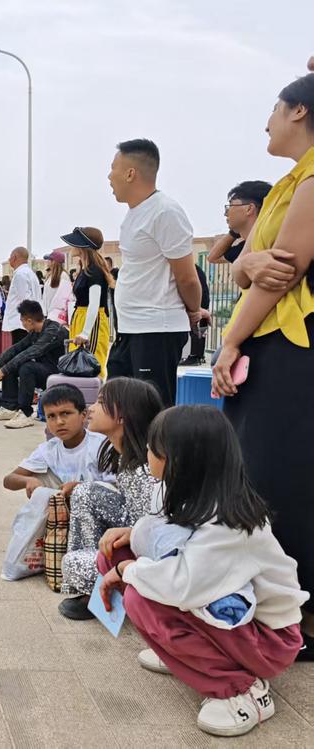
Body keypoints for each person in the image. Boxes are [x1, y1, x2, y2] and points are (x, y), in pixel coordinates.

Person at [96, 406, 307, 737]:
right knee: (112, 554)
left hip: (268, 641)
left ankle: (242, 690)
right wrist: (130, 538)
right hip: (227, 619)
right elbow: (167, 539)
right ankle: (184, 654)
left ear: (178, 459)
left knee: (139, 596)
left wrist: (127, 570)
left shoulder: (229, 521)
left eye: (154, 447)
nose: (147, 452)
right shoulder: (180, 490)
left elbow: (185, 585)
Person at [213, 72, 314, 658]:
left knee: (284, 478)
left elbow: (282, 275)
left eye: (275, 108)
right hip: (268, 344)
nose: (267, 121)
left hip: (293, 346)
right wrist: (246, 266)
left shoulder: (313, 182)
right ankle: (266, 608)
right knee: (254, 473)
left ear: (299, 111)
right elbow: (246, 267)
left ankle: (296, 619)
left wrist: (229, 342)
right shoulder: (285, 187)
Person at [57, 377, 163, 619]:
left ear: (122, 416)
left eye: (101, 402)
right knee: (85, 492)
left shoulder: (144, 470)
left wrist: (126, 545)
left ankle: (108, 589)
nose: (91, 408)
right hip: (133, 538)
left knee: (72, 563)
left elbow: (154, 537)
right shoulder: (127, 456)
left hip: (148, 560)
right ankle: (90, 591)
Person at [107, 138, 202, 407]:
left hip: (155, 330)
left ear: (130, 173)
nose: (109, 176)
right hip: (130, 328)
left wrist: (194, 310)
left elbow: (187, 277)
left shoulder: (165, 212)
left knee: (153, 411)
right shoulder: (134, 214)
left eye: (113, 168)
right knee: (118, 407)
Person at [2, 384, 108, 495]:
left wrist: (80, 488)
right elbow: (9, 479)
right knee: (38, 475)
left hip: (97, 502)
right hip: (60, 503)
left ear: (83, 415)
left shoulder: (101, 445)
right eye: (51, 416)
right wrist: (29, 481)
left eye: (65, 413)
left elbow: (115, 489)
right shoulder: (49, 449)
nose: (59, 422)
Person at [0, 300, 69, 429]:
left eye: (22, 320)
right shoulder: (36, 332)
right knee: (14, 364)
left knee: (27, 367)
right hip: (46, 370)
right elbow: (16, 349)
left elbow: (31, 352)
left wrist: (3, 371)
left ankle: (25, 413)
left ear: (29, 321)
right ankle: (9, 407)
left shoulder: (53, 331)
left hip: (57, 374)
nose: (22, 324)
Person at [62, 227, 113, 375]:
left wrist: (85, 332)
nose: (71, 246)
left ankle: (98, 390)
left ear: (83, 246)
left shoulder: (94, 271)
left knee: (93, 364)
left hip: (93, 320)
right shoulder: (86, 270)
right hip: (81, 318)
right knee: (78, 365)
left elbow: (94, 304)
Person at [207, 181, 273, 265]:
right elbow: (213, 258)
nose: (226, 213)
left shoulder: (270, 244)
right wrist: (234, 232)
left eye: (230, 206)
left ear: (249, 209)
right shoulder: (245, 247)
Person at [2, 247, 43, 345]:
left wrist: (26, 320)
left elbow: (24, 300)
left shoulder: (20, 274)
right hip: (26, 321)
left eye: (10, 257)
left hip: (20, 322)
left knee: (20, 348)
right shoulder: (29, 273)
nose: (9, 259)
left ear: (14, 257)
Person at [41, 250, 73, 326]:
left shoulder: (63, 276)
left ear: (54, 262)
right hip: (48, 315)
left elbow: (66, 298)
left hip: (58, 317)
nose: (47, 262)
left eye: (50, 259)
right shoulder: (50, 275)